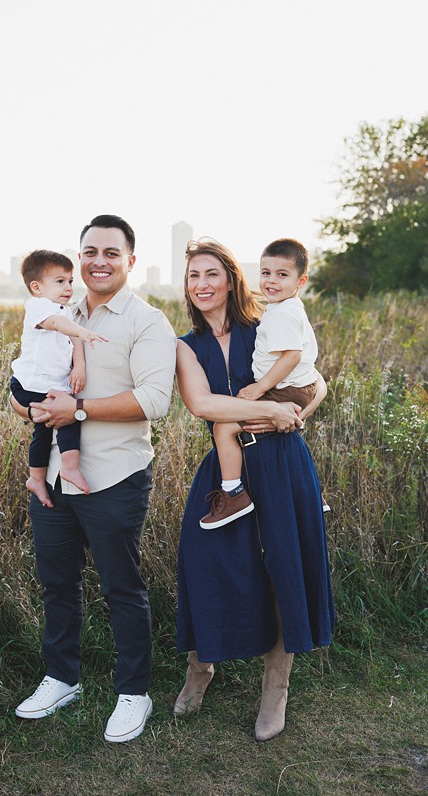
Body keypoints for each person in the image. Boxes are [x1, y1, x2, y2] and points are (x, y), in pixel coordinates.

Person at [10, 215, 176, 743]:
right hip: (56, 478)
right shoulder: (61, 308)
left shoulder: (147, 322)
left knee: (122, 587)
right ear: (78, 259)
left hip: (115, 477)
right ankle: (62, 678)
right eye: (89, 251)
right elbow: (33, 380)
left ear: (131, 258)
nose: (98, 260)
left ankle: (135, 692)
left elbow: (155, 401)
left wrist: (75, 410)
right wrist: (24, 405)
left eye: (110, 251)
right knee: (58, 585)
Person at [174, 238, 335, 742]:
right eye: (193, 276)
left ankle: (276, 688)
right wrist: (268, 409)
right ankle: (201, 668)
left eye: (211, 274)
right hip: (228, 465)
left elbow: (317, 379)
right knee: (205, 563)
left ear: (230, 279)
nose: (202, 284)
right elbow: (203, 405)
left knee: (283, 567)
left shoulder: (265, 323)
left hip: (282, 461)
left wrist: (297, 416)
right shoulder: (184, 344)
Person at [200, 238, 325, 529]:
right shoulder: (284, 307)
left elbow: (291, 356)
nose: (271, 281)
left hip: (285, 389)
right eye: (266, 272)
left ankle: (233, 493)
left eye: (282, 275)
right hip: (297, 387)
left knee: (224, 427)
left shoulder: (283, 313)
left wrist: (259, 388)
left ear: (301, 280)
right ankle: (311, 494)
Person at [11, 250, 108, 507]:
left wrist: (80, 366)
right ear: (37, 287)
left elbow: (72, 337)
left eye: (70, 281)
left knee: (43, 432)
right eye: (60, 281)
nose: (68, 287)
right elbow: (58, 325)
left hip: (49, 385)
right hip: (30, 384)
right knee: (68, 417)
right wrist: (84, 331)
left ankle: (36, 478)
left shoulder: (64, 311)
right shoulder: (39, 307)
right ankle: (70, 467)